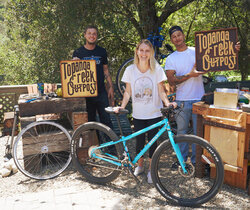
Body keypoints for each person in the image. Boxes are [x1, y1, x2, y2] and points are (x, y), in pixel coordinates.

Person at [165, 26, 241, 166]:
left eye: (179, 35)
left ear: (183, 35)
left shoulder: (196, 51)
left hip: (199, 100)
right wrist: (190, 75)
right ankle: (181, 161)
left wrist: (233, 50)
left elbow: (219, 58)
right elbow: (171, 81)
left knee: (198, 133)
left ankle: (196, 162)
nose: (177, 38)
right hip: (181, 100)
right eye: (174, 36)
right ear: (171, 39)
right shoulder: (171, 58)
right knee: (181, 132)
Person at [114, 39, 176, 183]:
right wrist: (122, 107)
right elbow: (128, 92)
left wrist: (168, 103)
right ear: (137, 51)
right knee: (139, 142)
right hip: (138, 113)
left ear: (151, 53)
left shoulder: (157, 69)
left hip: (154, 112)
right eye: (141, 50)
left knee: (153, 143)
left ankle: (151, 170)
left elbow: (161, 90)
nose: (143, 53)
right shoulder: (130, 70)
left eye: (147, 51)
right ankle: (140, 166)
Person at [72, 25, 114, 129]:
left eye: (94, 34)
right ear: (85, 35)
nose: (92, 36)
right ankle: (96, 145)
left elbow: (105, 70)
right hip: (86, 93)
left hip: (100, 92)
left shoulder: (102, 51)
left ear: (97, 36)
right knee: (90, 122)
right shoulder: (78, 52)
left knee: (106, 120)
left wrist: (111, 87)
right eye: (89, 33)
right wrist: (73, 63)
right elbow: (73, 74)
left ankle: (112, 145)